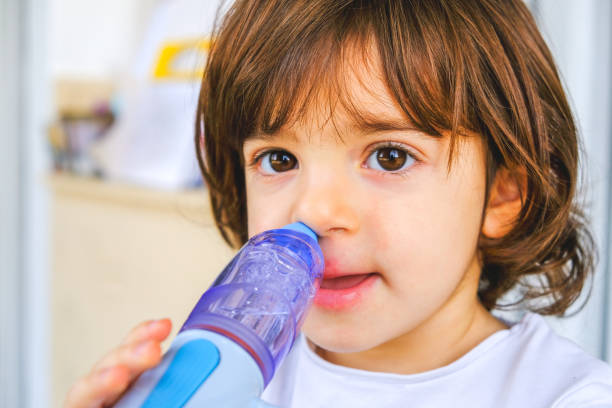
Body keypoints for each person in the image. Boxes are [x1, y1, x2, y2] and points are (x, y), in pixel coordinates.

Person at [65, 0, 612, 407]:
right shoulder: (240, 383)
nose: (316, 212)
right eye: (279, 160)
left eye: (391, 157)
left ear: (501, 194)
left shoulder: (567, 396)